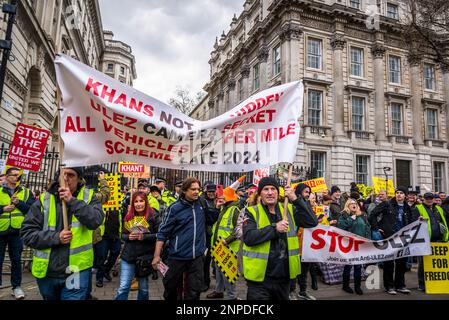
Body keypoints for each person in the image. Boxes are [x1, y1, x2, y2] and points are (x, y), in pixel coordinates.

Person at [21, 167, 104, 300]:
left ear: (79, 179)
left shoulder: (89, 197)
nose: (66, 179)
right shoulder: (44, 200)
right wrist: (56, 237)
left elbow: (95, 221)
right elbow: (27, 234)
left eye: (71, 175)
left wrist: (72, 201)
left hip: (75, 270)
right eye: (63, 175)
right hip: (47, 271)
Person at [242, 177, 318, 300]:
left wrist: (295, 198)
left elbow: (312, 221)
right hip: (259, 280)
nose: (270, 192)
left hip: (284, 278)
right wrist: (274, 229)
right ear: (260, 193)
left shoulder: (289, 209)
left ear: (278, 192)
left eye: (273, 189)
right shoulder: (251, 212)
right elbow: (249, 237)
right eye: (266, 189)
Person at [152, 177, 213, 301]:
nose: (196, 192)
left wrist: (217, 208)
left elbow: (210, 220)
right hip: (177, 257)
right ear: (184, 191)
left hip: (196, 258)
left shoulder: (201, 204)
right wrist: (156, 256)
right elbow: (162, 233)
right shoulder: (175, 208)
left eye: (198, 189)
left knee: (194, 292)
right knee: (170, 289)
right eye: (193, 189)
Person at [115, 191, 159, 300]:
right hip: (129, 256)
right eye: (136, 201)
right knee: (124, 287)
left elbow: (160, 236)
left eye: (141, 201)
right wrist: (128, 237)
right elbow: (122, 235)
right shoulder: (129, 215)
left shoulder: (153, 216)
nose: (138, 204)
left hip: (145, 258)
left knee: (143, 288)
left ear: (146, 202)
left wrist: (144, 237)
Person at [369, 187, 412, 295]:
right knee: (389, 263)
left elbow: (410, 221)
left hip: (402, 238)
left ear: (405, 195)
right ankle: (389, 286)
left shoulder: (407, 207)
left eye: (401, 193)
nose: (399, 195)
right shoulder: (387, 204)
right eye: (397, 193)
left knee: (401, 263)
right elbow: (372, 214)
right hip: (389, 236)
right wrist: (376, 228)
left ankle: (400, 285)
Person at [0, 167, 35, 299]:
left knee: (16, 260)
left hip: (17, 231)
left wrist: (18, 203)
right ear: (7, 176)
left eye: (18, 176)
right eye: (14, 175)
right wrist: (3, 209)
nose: (16, 178)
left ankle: (16, 287)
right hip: (1, 231)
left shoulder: (26, 192)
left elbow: (32, 210)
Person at [207, 179, 242, 300]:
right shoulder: (224, 208)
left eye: (223, 196)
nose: (220, 197)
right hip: (219, 246)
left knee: (228, 274)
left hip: (229, 247)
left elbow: (239, 230)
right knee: (218, 270)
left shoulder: (235, 210)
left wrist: (227, 240)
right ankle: (219, 291)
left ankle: (232, 296)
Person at [411, 192, 448, 291]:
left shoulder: (439, 209)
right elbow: (412, 222)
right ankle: (422, 284)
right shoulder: (418, 208)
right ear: (424, 199)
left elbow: (445, 221)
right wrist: (418, 220)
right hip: (425, 241)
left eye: (431, 198)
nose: (429, 200)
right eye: (427, 198)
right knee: (423, 264)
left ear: (433, 199)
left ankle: (436, 284)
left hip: (439, 240)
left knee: (437, 264)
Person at [337, 198, 371, 295]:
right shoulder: (344, 215)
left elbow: (368, 227)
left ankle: (357, 287)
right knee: (348, 266)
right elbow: (340, 227)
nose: (354, 204)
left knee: (358, 266)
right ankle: (345, 286)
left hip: (360, 244)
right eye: (351, 203)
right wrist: (351, 219)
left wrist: (367, 240)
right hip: (349, 245)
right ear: (347, 205)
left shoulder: (362, 215)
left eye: (355, 203)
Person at [199, 182, 218, 292]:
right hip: (206, 236)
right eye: (209, 191)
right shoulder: (202, 201)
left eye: (213, 191)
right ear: (206, 191)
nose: (211, 193)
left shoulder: (218, 200)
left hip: (217, 235)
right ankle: (205, 282)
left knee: (216, 262)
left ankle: (220, 285)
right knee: (205, 261)